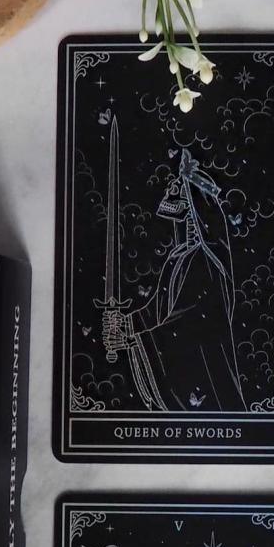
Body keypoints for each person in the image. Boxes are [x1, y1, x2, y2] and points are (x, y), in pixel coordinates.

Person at [102, 148, 245, 412]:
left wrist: (134, 341)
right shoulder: (178, 258)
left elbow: (189, 322)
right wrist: (124, 325)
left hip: (204, 369)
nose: (187, 223)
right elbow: (159, 310)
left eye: (191, 214)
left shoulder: (206, 261)